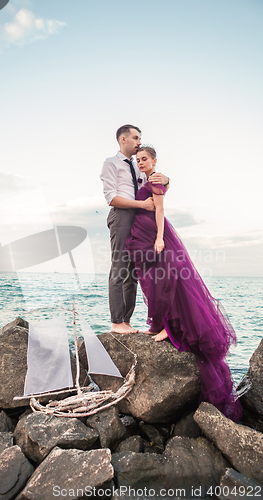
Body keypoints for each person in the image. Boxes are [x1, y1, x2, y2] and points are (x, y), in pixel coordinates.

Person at [125, 145, 242, 421]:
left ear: (154, 160)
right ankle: (160, 324)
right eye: (138, 159)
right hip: (142, 235)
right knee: (149, 281)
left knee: (165, 282)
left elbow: (160, 210)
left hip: (155, 234)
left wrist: (159, 238)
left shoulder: (155, 180)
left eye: (145, 159)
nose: (141, 162)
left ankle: (168, 328)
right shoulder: (150, 178)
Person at [100, 125, 169, 334]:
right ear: (123, 139)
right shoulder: (110, 163)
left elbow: (155, 183)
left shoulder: (139, 164)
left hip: (139, 221)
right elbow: (111, 198)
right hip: (121, 216)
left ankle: (126, 321)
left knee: (132, 273)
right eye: (136, 138)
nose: (139, 142)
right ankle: (116, 321)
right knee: (119, 267)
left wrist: (167, 180)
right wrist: (142, 205)